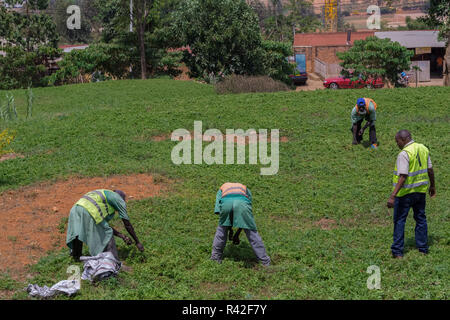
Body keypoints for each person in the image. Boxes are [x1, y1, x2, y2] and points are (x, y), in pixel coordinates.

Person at [387, 130, 436, 258]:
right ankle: (423, 248)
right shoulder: (423, 148)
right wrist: (433, 186)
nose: (397, 144)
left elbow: (403, 176)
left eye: (397, 141)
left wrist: (393, 195)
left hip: (405, 194)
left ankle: (397, 252)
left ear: (403, 140)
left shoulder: (404, 154)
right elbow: (430, 169)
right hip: (420, 192)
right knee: (421, 219)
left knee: (399, 220)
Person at [66, 189, 144, 261]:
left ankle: (76, 257)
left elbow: (103, 225)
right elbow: (127, 224)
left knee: (78, 231)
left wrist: (122, 236)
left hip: (76, 208)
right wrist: (137, 242)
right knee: (108, 233)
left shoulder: (103, 197)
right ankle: (112, 262)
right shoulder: (118, 199)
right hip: (89, 210)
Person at [210, 182, 271, 266]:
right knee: (252, 233)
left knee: (221, 231)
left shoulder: (222, 187)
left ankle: (215, 258)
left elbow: (218, 208)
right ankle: (265, 262)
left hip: (226, 203)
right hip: (242, 204)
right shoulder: (245, 188)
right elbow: (248, 204)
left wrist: (227, 227)